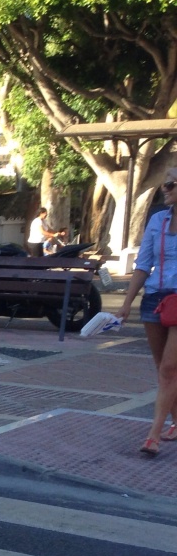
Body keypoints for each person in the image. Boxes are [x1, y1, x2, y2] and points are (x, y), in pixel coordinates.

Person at [118, 168, 177, 455]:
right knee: (163, 370)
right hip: (154, 298)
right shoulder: (157, 220)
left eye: (170, 184)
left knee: (169, 368)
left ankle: (152, 435)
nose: (164, 188)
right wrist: (126, 303)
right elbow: (143, 264)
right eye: (164, 183)